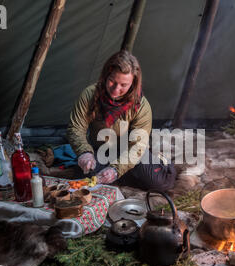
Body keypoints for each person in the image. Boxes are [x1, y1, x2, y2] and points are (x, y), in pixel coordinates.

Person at [67, 50, 176, 191]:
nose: (116, 89)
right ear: (106, 75)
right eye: (112, 81)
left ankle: (134, 170)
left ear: (133, 83)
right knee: (85, 176)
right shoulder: (89, 95)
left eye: (124, 85)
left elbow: (137, 146)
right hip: (102, 151)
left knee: (160, 182)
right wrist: (84, 153)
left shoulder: (141, 106)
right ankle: (124, 175)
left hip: (131, 153)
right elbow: (76, 128)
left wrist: (116, 169)